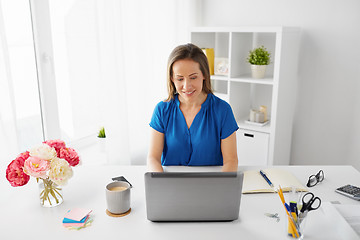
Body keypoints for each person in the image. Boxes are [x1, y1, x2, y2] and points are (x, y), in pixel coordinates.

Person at [147, 43, 238, 172]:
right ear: (172, 79)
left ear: (204, 75)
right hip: (171, 185)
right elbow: (153, 158)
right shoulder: (162, 110)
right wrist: (161, 182)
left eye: (193, 77)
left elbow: (231, 160)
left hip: (211, 185)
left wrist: (218, 187)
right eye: (180, 79)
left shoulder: (223, 110)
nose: (187, 86)